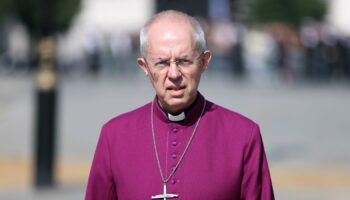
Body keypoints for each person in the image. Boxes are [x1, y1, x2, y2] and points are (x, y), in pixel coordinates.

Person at [85, 10, 274, 200]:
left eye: (184, 61)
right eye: (162, 63)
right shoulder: (114, 136)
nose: (174, 74)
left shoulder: (243, 136)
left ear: (204, 62)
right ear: (145, 67)